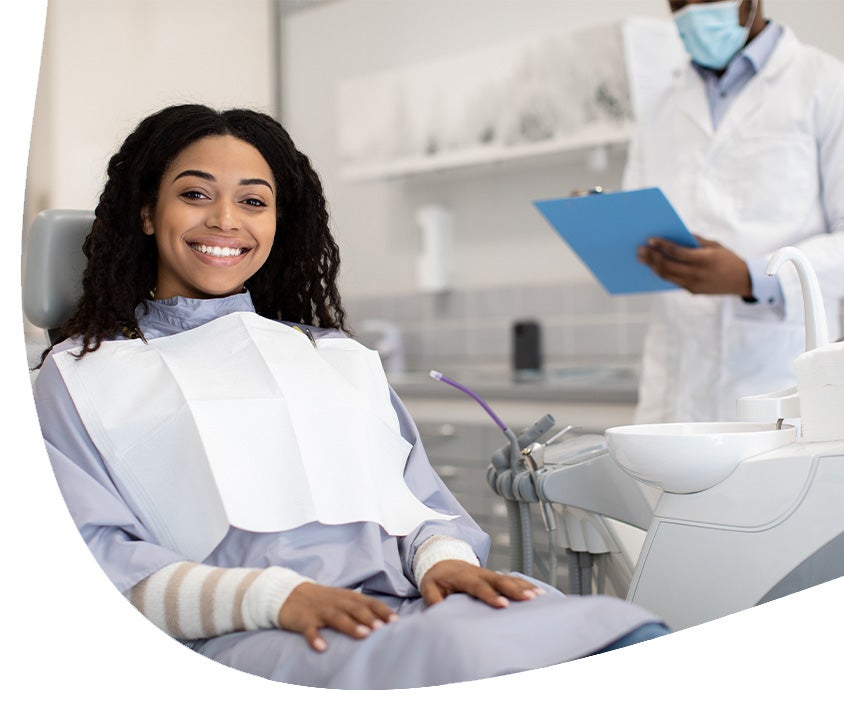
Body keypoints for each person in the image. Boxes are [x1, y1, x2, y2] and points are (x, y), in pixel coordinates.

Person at [31, 104, 667, 690]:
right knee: (470, 660)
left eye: (253, 201)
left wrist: (443, 563)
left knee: (620, 633)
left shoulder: (335, 356)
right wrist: (273, 599)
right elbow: (91, 563)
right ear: (147, 213)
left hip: (417, 602)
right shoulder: (83, 376)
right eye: (195, 194)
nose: (225, 219)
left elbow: (421, 504)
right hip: (253, 631)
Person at [624, 0, 844, 423]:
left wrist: (750, 276)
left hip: (778, 379)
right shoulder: (659, 107)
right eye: (678, 1)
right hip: (672, 387)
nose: (691, 10)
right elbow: (638, 216)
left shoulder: (827, 85)